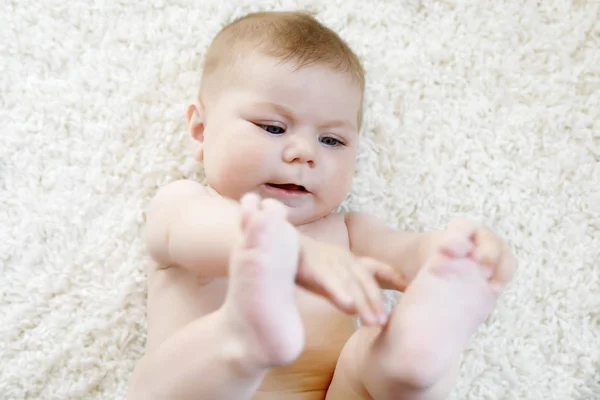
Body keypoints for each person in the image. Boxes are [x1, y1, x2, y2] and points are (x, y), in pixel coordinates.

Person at [127, 10, 517, 400]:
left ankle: (412, 362)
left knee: (368, 353)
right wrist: (296, 255)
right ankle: (241, 337)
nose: (304, 153)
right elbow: (194, 227)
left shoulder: (347, 233)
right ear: (200, 130)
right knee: (156, 385)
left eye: (331, 141)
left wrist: (453, 257)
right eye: (273, 128)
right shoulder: (184, 202)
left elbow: (406, 255)